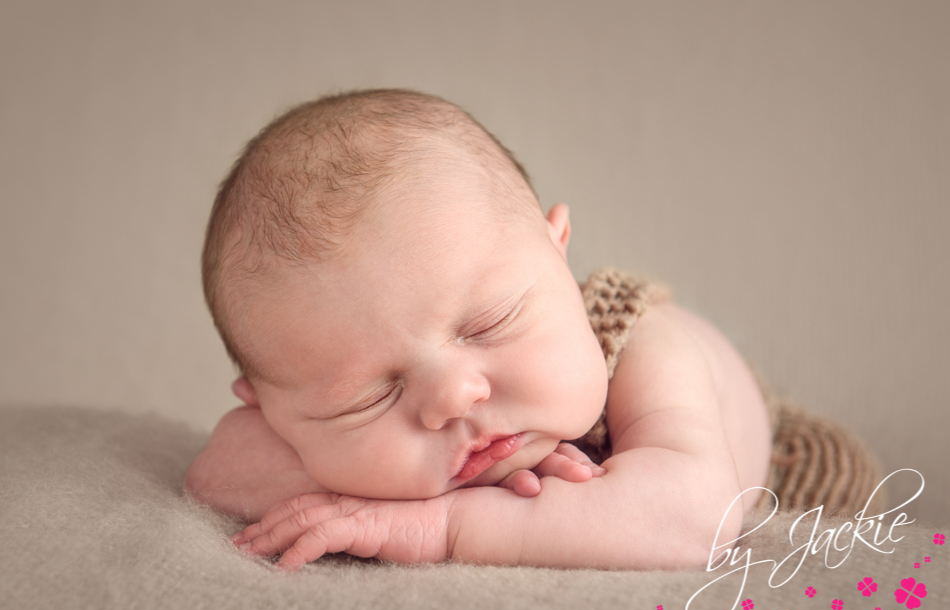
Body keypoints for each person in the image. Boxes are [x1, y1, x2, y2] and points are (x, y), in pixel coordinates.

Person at [184, 88, 847, 571]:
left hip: (791, 464)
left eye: (486, 325)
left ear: (556, 254)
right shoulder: (316, 409)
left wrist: (445, 522)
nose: (451, 398)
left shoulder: (644, 346)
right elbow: (218, 471)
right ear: (267, 407)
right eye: (368, 398)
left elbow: (694, 517)